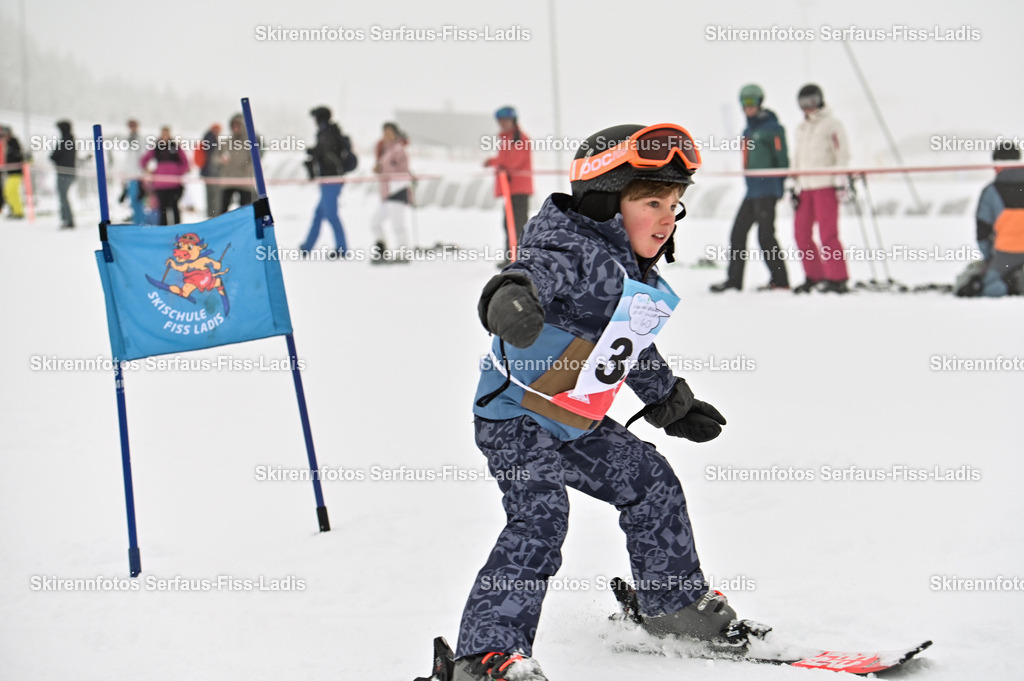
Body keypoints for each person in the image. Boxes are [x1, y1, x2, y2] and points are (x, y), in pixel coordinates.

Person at [451, 124, 735, 681]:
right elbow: (532, 270)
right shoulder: (571, 247)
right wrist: (511, 296)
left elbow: (624, 347)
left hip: (572, 420)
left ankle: (672, 607)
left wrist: (671, 403)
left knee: (651, 482)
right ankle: (486, 655)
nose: (665, 217)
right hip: (515, 421)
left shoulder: (628, 268)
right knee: (540, 518)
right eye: (651, 201)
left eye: (674, 205)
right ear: (606, 205)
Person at [710, 84, 790, 292]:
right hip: (752, 191)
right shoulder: (748, 130)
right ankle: (734, 281)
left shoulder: (773, 128)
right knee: (738, 233)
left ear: (759, 102)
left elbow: (782, 160)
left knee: (765, 235)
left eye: (751, 102)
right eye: (744, 103)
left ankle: (780, 281)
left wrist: (780, 188)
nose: (748, 107)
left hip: (768, 190)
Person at [791, 83, 850, 294]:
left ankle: (837, 278)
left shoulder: (832, 124)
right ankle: (814, 275)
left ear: (820, 100)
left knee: (828, 234)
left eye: (812, 102)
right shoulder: (801, 128)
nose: (808, 107)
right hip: (805, 188)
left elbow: (841, 155)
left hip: (825, 185)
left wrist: (840, 182)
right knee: (801, 233)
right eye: (803, 104)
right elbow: (796, 158)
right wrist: (793, 186)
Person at [956, 141, 1024, 296]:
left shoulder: (991, 191)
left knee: (988, 286)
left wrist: (989, 259)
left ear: (997, 164)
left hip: (1005, 254)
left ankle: (1010, 285)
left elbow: (983, 231)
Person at [299, 106, 355, 257]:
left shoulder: (326, 133)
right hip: (328, 179)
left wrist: (313, 152)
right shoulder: (330, 132)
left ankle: (342, 249)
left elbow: (326, 152)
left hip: (332, 179)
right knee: (319, 214)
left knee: (331, 214)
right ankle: (307, 246)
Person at [485, 106, 533, 263]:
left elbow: (512, 162)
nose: (502, 123)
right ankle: (510, 257)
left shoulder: (520, 139)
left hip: (519, 189)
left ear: (513, 120)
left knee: (518, 225)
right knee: (508, 225)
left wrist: (495, 162)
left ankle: (519, 258)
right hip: (509, 190)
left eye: (506, 120)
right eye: (500, 120)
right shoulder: (506, 139)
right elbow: (505, 161)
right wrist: (494, 162)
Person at [370, 121, 412, 261]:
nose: (387, 135)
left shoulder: (398, 149)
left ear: (395, 133)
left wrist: (384, 170)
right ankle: (381, 248)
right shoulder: (385, 149)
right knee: (375, 223)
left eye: (389, 132)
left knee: (397, 225)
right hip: (387, 193)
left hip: (397, 191)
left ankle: (403, 254)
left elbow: (403, 170)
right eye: (384, 132)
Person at [140, 126, 190, 226]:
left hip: (174, 184)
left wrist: (177, 172)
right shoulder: (157, 147)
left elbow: (185, 163)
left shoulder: (175, 147)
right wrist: (149, 171)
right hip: (160, 184)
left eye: (167, 133)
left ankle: (177, 228)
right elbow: (143, 160)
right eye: (163, 133)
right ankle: (164, 229)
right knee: (162, 208)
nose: (165, 136)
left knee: (174, 207)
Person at [218, 114, 258, 213]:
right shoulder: (227, 142)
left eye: (238, 126)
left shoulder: (250, 142)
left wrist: (247, 168)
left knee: (245, 208)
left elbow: (255, 159)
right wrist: (221, 160)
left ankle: (244, 226)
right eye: (233, 126)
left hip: (244, 180)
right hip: (229, 179)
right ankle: (223, 225)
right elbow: (216, 157)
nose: (236, 128)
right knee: (223, 208)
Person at [51, 120, 77, 229]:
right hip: (67, 172)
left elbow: (54, 155)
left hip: (64, 173)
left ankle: (68, 220)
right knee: (63, 197)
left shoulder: (65, 141)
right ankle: (66, 219)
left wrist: (56, 159)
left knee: (63, 197)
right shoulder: (70, 140)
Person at [197, 122, 223, 218]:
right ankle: (214, 213)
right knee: (215, 194)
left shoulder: (206, 138)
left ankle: (211, 213)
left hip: (206, 171)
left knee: (210, 193)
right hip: (212, 171)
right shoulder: (211, 139)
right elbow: (212, 156)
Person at [1, 126, 25, 219]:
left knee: (12, 191)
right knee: (8, 192)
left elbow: (18, 156)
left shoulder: (14, 143)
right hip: (10, 172)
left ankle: (18, 212)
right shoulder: (7, 143)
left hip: (16, 172)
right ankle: (14, 210)